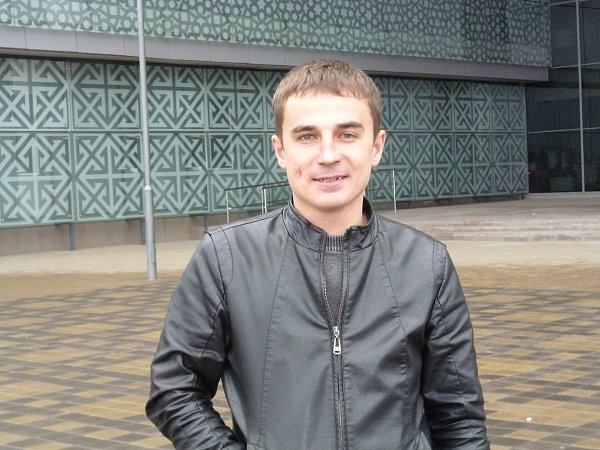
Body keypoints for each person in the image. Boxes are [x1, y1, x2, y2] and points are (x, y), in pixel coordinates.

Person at [146, 59, 489, 450]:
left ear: (376, 146)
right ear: (280, 150)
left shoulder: (427, 263)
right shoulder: (226, 258)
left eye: (347, 134)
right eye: (307, 136)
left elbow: (459, 418)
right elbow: (175, 390)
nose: (328, 155)